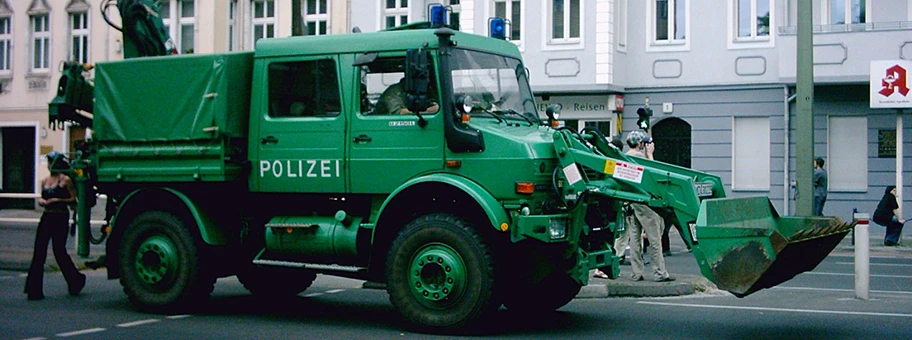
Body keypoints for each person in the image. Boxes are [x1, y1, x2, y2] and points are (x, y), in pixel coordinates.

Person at [24, 151, 86, 300]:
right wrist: (42, 202)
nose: (49, 165)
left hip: (60, 216)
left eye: (51, 161)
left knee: (59, 250)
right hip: (47, 216)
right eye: (48, 161)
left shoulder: (65, 180)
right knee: (39, 251)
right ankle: (34, 290)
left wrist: (57, 200)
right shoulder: (45, 181)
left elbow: (73, 199)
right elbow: (41, 197)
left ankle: (75, 280)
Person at [624, 131, 675, 282]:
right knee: (654, 239)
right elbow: (653, 174)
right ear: (640, 144)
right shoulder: (640, 158)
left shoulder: (624, 156)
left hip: (631, 202)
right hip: (646, 204)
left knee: (634, 239)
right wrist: (650, 154)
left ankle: (637, 272)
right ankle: (660, 272)